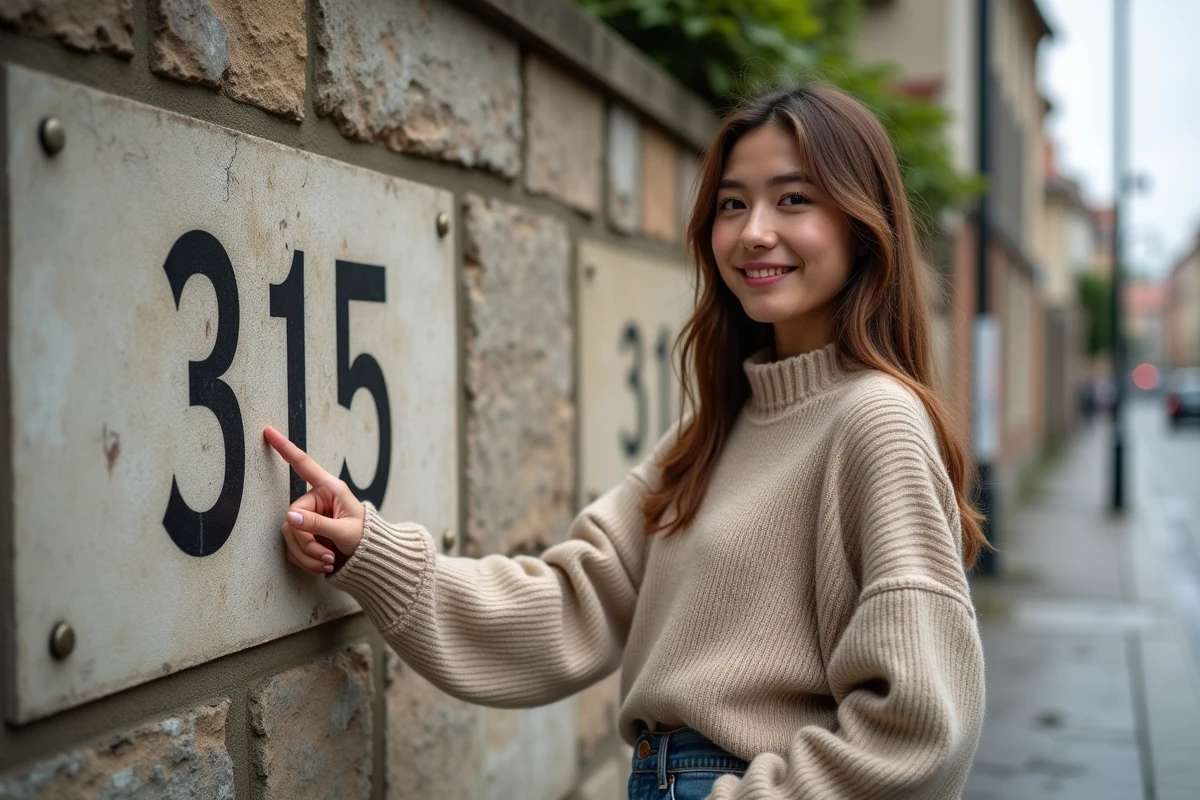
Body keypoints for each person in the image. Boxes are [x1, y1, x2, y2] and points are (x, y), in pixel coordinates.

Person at [264, 84, 987, 799]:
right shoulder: (717, 429)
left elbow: (918, 726)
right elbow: (569, 604)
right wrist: (371, 549)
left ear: (863, 223)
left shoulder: (876, 421)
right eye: (732, 204)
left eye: (793, 199)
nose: (754, 232)